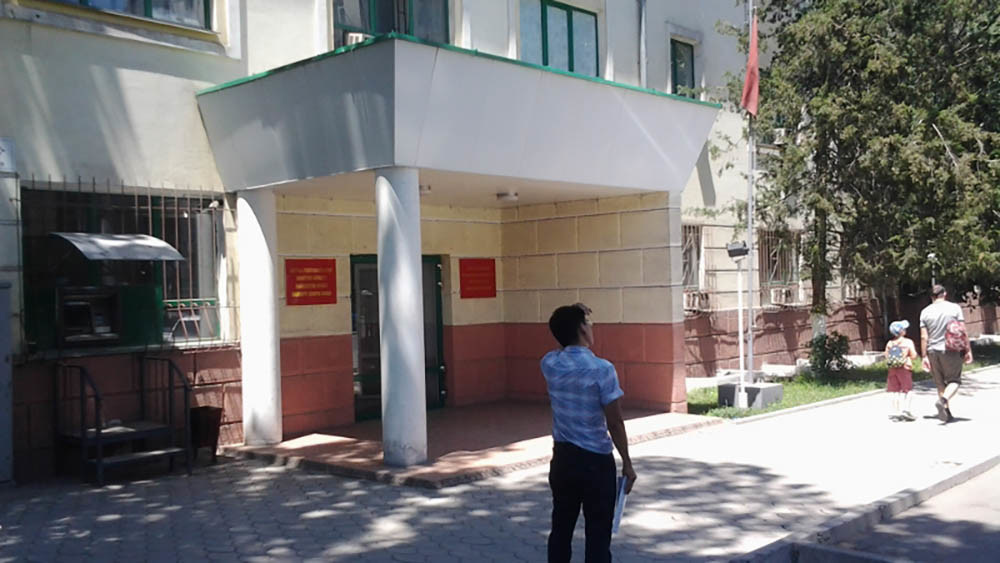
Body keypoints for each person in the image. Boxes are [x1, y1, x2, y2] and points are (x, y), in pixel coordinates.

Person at [541, 303, 637, 563]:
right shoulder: (602, 369)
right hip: (596, 463)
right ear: (582, 329)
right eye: (588, 323)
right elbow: (615, 422)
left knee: (561, 528)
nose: (592, 327)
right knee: (598, 534)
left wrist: (569, 320)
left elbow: (560, 346)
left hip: (563, 459)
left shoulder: (550, 364)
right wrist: (627, 463)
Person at [920, 284, 973, 422]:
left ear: (931, 296)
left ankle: (946, 412)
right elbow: (962, 330)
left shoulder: (925, 312)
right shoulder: (954, 308)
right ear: (944, 294)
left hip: (932, 351)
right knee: (954, 380)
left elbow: (924, 336)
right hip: (951, 350)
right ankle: (943, 400)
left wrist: (924, 356)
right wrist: (968, 350)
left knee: (940, 383)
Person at [884, 320, 917, 421]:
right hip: (905, 368)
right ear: (901, 331)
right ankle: (906, 410)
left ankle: (896, 412)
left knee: (895, 391)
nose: (905, 330)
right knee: (908, 390)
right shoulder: (908, 342)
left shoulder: (890, 343)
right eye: (904, 329)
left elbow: (886, 356)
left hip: (892, 369)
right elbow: (913, 355)